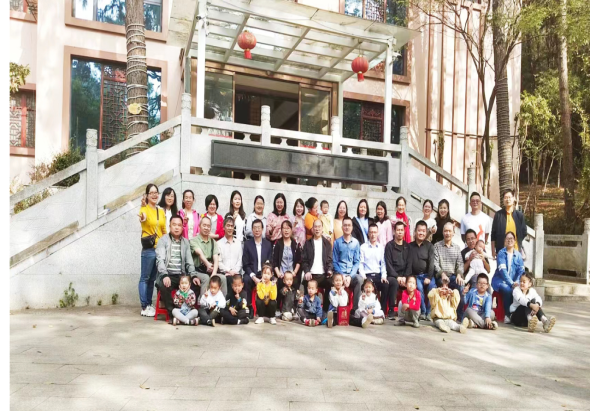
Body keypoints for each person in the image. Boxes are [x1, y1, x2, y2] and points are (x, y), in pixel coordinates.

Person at [155, 215, 200, 320]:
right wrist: (164, 275)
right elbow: (160, 260)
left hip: (181, 276)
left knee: (196, 284)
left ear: (182, 227)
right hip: (167, 274)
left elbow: (189, 261)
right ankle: (173, 315)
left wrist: (193, 276)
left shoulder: (185, 242)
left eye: (179, 225)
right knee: (164, 286)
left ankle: (185, 310)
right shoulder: (163, 240)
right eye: (174, 225)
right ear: (169, 226)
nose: (176, 227)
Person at [139, 183, 167, 317]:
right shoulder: (144, 209)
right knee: (145, 278)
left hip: (159, 249)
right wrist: (143, 216)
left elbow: (163, 229)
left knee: (152, 279)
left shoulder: (161, 211)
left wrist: (167, 242)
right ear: (147, 195)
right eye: (152, 193)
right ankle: (144, 306)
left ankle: (149, 304)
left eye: (156, 192)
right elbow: (143, 218)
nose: (155, 195)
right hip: (149, 249)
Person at [433, 222, 465, 320]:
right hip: (440, 276)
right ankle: (440, 314)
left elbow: (460, 264)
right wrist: (442, 274)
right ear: (443, 232)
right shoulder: (437, 246)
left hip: (453, 276)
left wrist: (459, 275)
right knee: (441, 286)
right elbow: (435, 263)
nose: (447, 233)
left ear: (453, 233)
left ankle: (459, 315)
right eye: (445, 231)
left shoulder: (457, 247)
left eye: (450, 231)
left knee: (461, 286)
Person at [492, 232, 526, 324]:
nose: (509, 240)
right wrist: (511, 283)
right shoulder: (501, 253)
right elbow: (503, 271)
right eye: (507, 238)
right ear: (504, 241)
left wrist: (517, 282)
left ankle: (519, 314)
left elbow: (521, 271)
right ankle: (507, 314)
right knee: (508, 290)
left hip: (514, 282)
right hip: (500, 280)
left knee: (522, 290)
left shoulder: (518, 255)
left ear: (514, 241)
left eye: (511, 238)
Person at [405, 221, 436, 320]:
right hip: (415, 276)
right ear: (415, 231)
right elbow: (409, 263)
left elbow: (431, 263)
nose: (421, 233)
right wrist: (408, 278)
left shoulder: (429, 246)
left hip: (427, 275)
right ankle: (423, 312)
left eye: (423, 231)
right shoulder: (410, 246)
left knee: (432, 287)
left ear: (426, 232)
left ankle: (429, 312)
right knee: (419, 288)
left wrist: (429, 277)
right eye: (419, 230)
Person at [332, 217, 363, 311]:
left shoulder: (356, 243)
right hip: (340, 274)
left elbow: (356, 262)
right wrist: (342, 276)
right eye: (345, 225)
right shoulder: (337, 243)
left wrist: (349, 276)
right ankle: (336, 310)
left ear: (352, 227)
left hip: (351, 275)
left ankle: (355, 309)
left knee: (359, 279)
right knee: (333, 281)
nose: (347, 227)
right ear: (342, 227)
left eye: (349, 225)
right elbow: (334, 262)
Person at [243, 219, 273, 312]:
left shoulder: (268, 244)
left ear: (262, 229)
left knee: (273, 281)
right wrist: (254, 277)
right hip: (252, 273)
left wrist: (265, 276)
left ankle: (269, 308)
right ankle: (249, 307)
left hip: (264, 273)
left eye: (259, 227)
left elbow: (270, 262)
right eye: (255, 228)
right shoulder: (247, 244)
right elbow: (245, 264)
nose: (257, 230)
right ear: (252, 230)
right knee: (246, 280)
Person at [301, 219, 333, 309]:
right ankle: (308, 308)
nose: (317, 229)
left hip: (323, 274)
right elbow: (304, 260)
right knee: (306, 283)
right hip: (311, 274)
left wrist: (329, 270)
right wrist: (307, 271)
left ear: (322, 229)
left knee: (330, 282)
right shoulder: (308, 243)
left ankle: (325, 310)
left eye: (319, 227)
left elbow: (330, 260)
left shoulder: (327, 244)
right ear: (312, 229)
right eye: (315, 227)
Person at [190, 217, 224, 298]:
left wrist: (214, 273)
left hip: (210, 270)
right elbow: (199, 253)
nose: (206, 228)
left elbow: (216, 258)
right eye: (204, 225)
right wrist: (207, 264)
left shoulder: (213, 242)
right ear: (199, 226)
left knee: (223, 278)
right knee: (205, 278)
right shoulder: (193, 240)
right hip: (197, 270)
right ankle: (203, 302)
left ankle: (222, 303)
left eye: (208, 226)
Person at [359, 224, 389, 311]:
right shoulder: (363, 247)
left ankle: (381, 310)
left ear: (378, 233)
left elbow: (383, 264)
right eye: (371, 232)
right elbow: (361, 264)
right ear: (368, 233)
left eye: (375, 232)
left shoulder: (381, 247)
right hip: (367, 275)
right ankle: (366, 310)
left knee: (385, 285)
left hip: (378, 275)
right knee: (366, 285)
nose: (373, 234)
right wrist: (363, 276)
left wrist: (384, 276)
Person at [491, 189, 528, 260]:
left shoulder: (519, 215)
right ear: (503, 200)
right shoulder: (498, 215)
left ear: (513, 199)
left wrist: (517, 242)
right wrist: (493, 250)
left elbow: (524, 232)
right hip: (501, 251)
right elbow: (493, 234)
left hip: (516, 251)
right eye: (505, 197)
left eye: (509, 197)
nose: (507, 200)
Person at [385, 221, 410, 320]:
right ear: (394, 231)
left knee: (412, 282)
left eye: (401, 230)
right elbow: (388, 264)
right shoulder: (389, 246)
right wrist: (397, 277)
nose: (400, 232)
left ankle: (410, 310)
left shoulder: (408, 246)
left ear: (404, 231)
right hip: (393, 275)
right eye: (398, 230)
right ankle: (391, 310)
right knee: (393, 282)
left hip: (405, 275)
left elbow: (409, 264)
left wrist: (405, 277)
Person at [218, 215, 243, 294]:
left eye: (232, 226)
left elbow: (240, 260)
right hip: (224, 273)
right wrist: (229, 271)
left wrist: (234, 271)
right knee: (229, 280)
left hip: (236, 273)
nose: (230, 228)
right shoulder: (218, 244)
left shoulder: (238, 243)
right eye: (228, 225)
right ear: (224, 227)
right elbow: (219, 262)